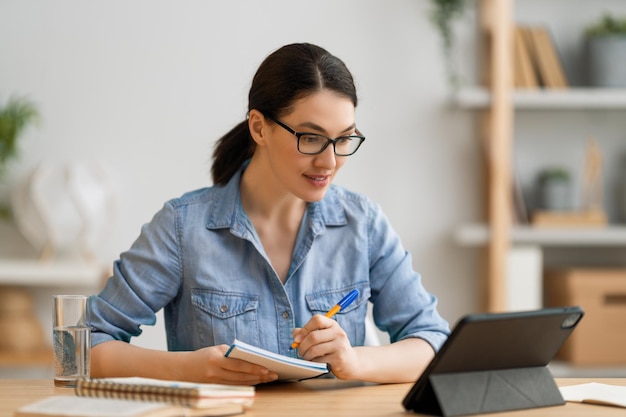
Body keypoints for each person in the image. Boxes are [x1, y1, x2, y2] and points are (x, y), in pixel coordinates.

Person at [88, 42, 450, 385]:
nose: (330, 161)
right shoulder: (183, 228)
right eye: (310, 138)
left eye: (343, 139)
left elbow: (432, 341)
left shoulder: (362, 223)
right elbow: (85, 345)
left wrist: (355, 361)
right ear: (259, 127)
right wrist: (187, 368)